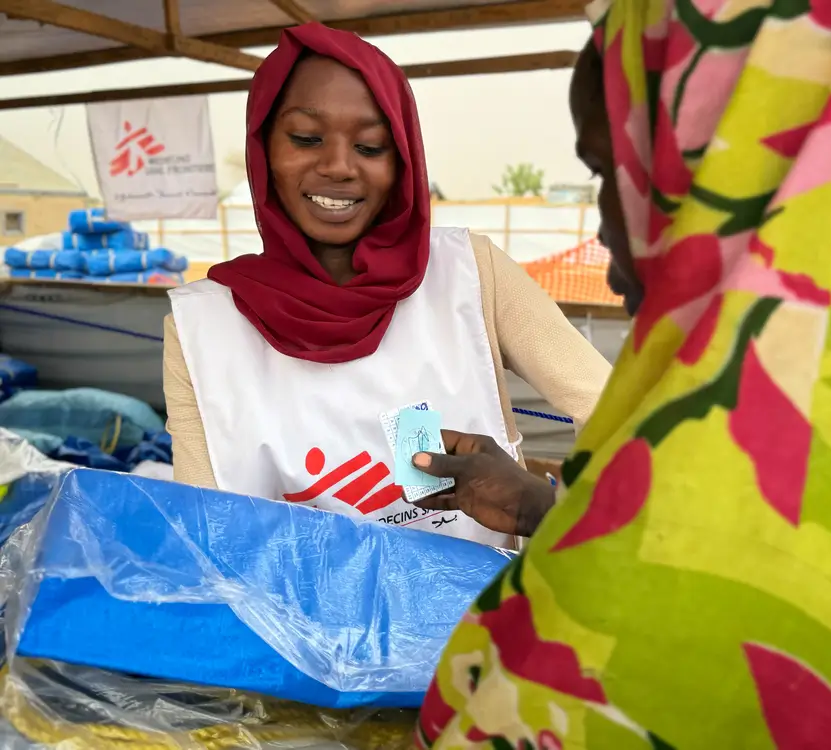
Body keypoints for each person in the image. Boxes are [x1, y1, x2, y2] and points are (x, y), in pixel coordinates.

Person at [416, 0, 831, 746]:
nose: (603, 222)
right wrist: (544, 507)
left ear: (726, 172)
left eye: (615, 171)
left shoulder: (623, 636)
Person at [162, 23, 611, 550]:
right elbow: (208, 536)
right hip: (291, 631)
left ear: (403, 159)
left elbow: (624, 415)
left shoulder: (472, 275)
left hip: (474, 626)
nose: (337, 166)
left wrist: (541, 507)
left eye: (371, 146)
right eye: (306, 138)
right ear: (263, 151)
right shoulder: (204, 332)